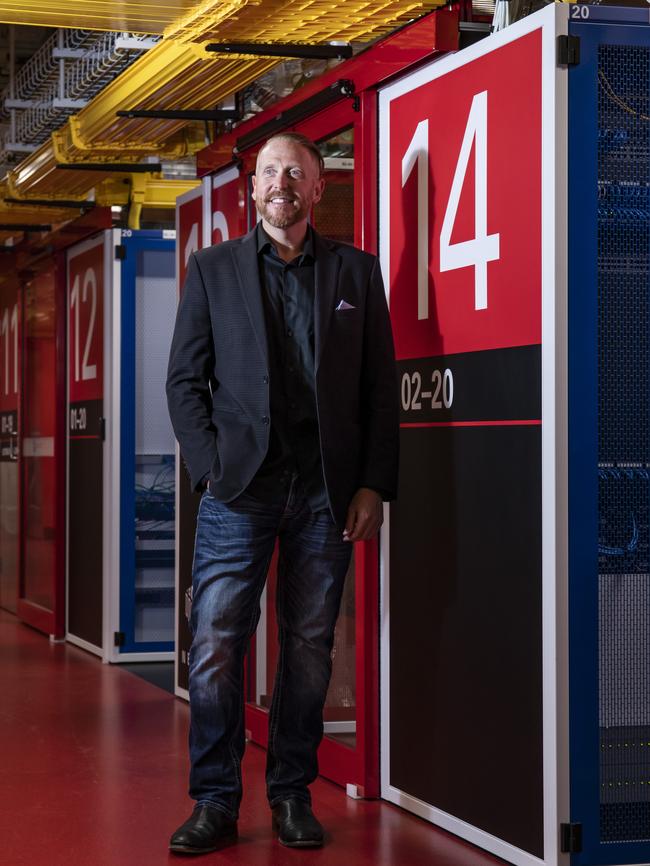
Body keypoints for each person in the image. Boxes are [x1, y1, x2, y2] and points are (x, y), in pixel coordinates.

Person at [166, 131, 398, 854]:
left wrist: (372, 485)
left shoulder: (356, 275)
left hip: (327, 492)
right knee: (213, 646)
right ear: (254, 187)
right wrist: (210, 469)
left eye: (294, 171)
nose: (281, 181)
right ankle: (215, 800)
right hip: (240, 489)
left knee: (306, 651)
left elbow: (379, 392)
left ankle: (292, 793)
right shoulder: (212, 270)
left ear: (317, 187)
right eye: (270, 171)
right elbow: (184, 383)